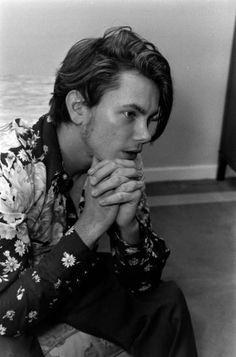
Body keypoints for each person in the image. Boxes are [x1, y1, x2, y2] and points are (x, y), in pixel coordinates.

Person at [0, 26, 198, 356]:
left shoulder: (120, 153)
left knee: (167, 302)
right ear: (78, 107)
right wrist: (90, 226)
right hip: (21, 287)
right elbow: (4, 316)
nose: (144, 135)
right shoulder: (9, 171)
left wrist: (128, 228)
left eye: (151, 118)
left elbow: (142, 283)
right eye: (130, 114)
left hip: (69, 276)